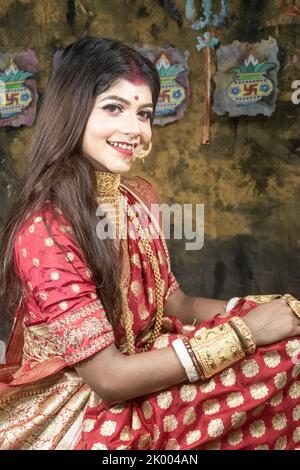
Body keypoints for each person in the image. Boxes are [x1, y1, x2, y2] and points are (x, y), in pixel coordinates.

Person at [0, 36, 299, 451]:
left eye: (144, 113)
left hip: (147, 361)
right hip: (84, 405)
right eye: (113, 108)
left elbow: (174, 305)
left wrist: (259, 310)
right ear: (72, 112)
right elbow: (108, 379)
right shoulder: (46, 230)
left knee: (291, 346)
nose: (134, 128)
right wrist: (247, 331)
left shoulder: (134, 199)